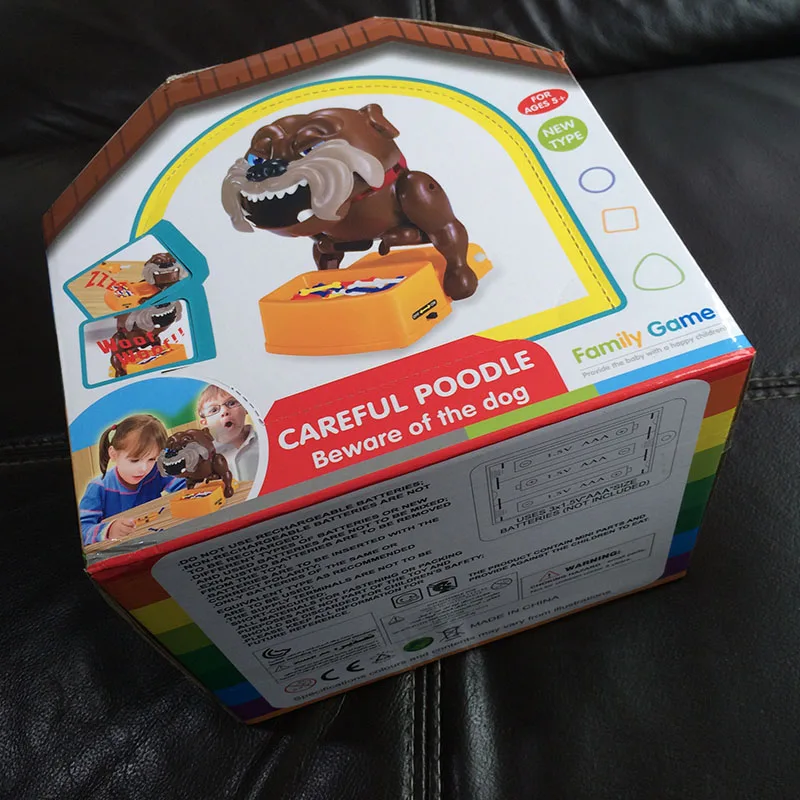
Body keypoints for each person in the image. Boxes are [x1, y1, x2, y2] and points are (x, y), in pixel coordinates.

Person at [79, 414, 185, 546]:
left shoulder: (156, 470)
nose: (143, 469)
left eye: (152, 459)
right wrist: (109, 530)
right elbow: (82, 531)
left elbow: (186, 487)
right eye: (134, 460)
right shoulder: (98, 487)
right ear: (113, 454)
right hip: (117, 550)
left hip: (154, 540)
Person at [197, 386, 258, 483]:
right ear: (205, 422)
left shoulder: (265, 442)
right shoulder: (206, 458)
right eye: (214, 410)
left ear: (246, 408)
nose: (224, 411)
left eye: (232, 403)